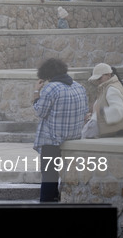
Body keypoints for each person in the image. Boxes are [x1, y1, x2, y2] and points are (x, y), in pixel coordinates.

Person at [32, 58, 88, 202]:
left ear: (46, 74)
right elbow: (84, 112)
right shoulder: (79, 86)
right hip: (73, 137)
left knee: (49, 174)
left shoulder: (51, 88)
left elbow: (40, 112)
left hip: (52, 139)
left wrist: (36, 93)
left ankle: (47, 203)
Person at [84, 63, 123, 138]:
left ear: (108, 75)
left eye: (99, 78)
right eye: (96, 79)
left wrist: (100, 110)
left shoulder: (112, 89)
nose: (98, 81)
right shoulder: (107, 87)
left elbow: (118, 111)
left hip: (107, 131)